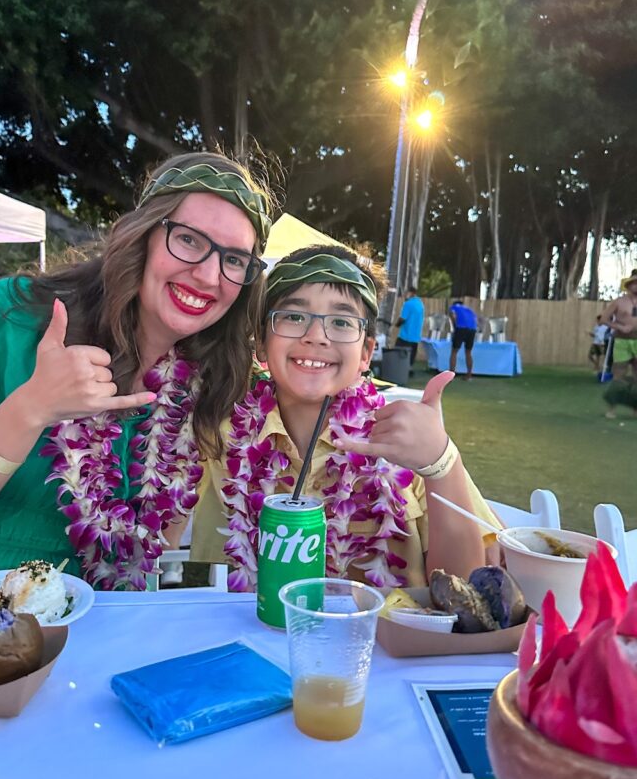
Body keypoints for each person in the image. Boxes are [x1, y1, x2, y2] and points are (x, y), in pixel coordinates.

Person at [0, 152, 275, 588]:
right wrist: (32, 406)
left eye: (233, 259)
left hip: (108, 619)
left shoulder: (210, 381)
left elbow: (159, 544)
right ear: (144, 236)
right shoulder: (16, 315)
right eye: (189, 239)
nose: (209, 275)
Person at [190, 244, 501, 591]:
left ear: (366, 353)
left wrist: (440, 462)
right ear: (261, 344)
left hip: (379, 641)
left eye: (340, 322)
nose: (316, 336)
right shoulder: (219, 434)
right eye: (293, 316)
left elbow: (466, 586)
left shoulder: (409, 442)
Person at [601, 269, 637, 418]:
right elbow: (603, 319)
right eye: (634, 283)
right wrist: (620, 327)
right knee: (619, 377)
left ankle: (635, 410)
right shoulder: (619, 302)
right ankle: (611, 409)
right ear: (628, 285)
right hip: (622, 341)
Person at [395, 286, 425, 370]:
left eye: (406, 292)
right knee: (412, 354)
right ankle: (409, 369)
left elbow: (403, 318)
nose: (405, 294)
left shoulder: (408, 304)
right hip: (416, 336)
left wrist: (397, 324)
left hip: (406, 335)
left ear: (411, 293)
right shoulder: (420, 303)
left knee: (398, 353)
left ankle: (399, 370)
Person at [449, 297, 479, 380]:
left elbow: (453, 316)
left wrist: (455, 327)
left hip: (461, 328)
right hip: (472, 329)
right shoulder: (469, 310)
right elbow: (476, 320)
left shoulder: (453, 307)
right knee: (468, 352)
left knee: (454, 351)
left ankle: (451, 374)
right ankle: (469, 375)